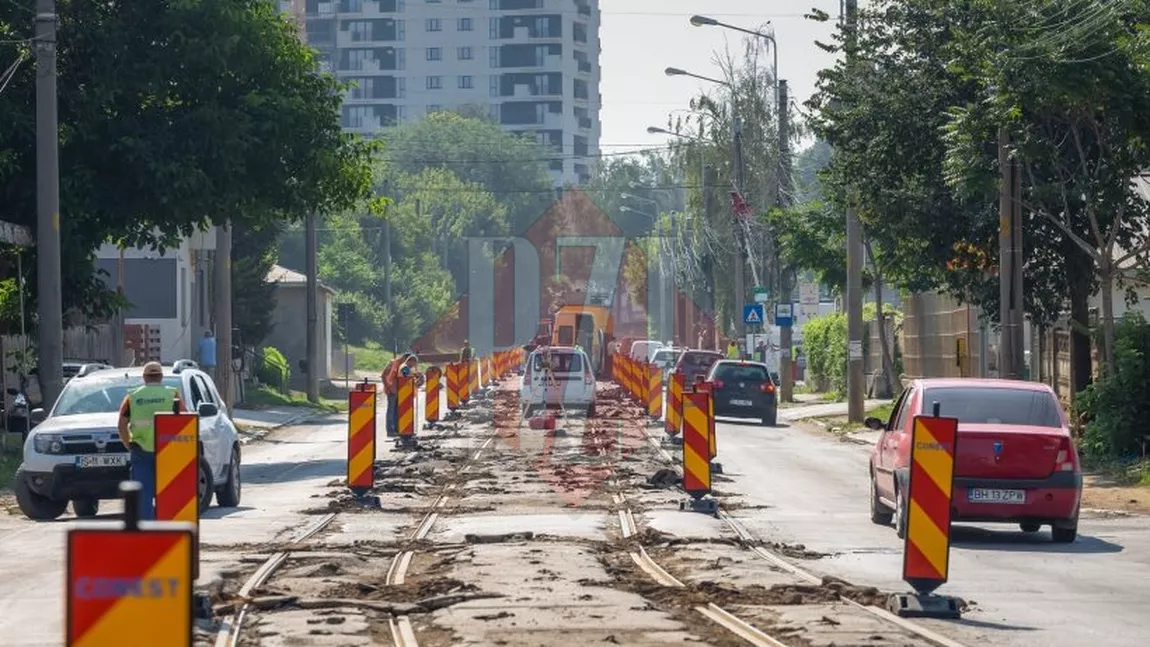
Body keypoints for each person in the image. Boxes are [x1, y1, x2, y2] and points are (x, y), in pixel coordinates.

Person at [117, 362, 185, 520]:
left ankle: (148, 530)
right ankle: (169, 526)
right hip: (168, 450)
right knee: (169, 490)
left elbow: (121, 425)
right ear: (161, 377)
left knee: (143, 494)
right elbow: (185, 420)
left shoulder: (132, 396)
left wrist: (128, 444)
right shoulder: (172, 394)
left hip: (141, 451)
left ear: (144, 377)